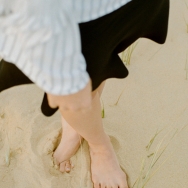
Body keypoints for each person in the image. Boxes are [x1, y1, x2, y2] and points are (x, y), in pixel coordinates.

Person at [0, 0, 170, 187]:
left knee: (101, 55)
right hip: (54, 11)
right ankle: (95, 142)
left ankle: (97, 146)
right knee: (78, 82)